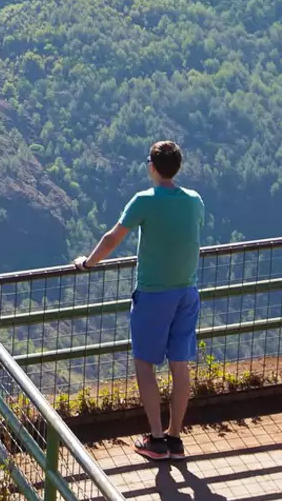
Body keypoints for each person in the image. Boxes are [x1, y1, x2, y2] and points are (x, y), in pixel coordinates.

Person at [73, 140, 206, 462]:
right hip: (187, 292)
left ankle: (156, 440)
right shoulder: (195, 200)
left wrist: (88, 263)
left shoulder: (144, 200)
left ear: (152, 166)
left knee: (144, 363)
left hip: (154, 293)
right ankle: (175, 439)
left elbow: (112, 238)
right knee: (180, 366)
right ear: (178, 167)